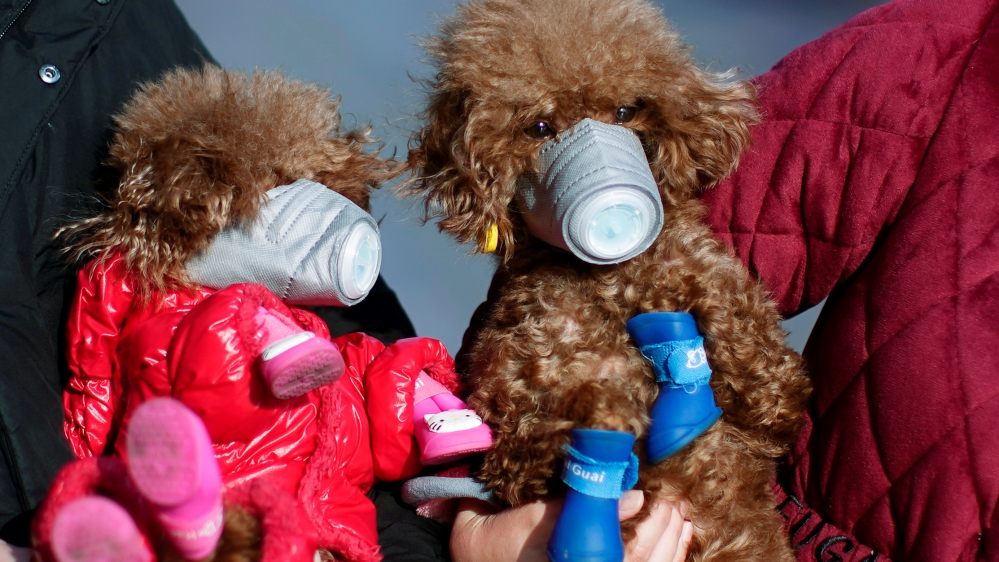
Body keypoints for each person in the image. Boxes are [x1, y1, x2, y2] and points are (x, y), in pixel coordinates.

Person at [449, 0, 999, 560]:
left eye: (623, 114)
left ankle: (653, 401)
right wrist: (474, 524)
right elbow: (489, 384)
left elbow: (756, 370)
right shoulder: (949, 56)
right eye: (542, 129)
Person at [0, 0, 416, 554]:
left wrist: (428, 400)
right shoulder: (171, 293)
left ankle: (178, 521)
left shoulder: (130, 39)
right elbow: (94, 372)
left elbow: (374, 367)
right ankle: (177, 521)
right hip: (213, 489)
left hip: (302, 505)